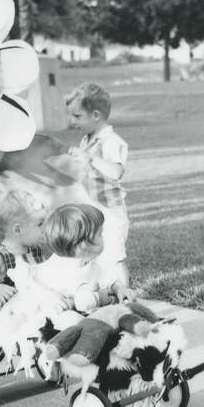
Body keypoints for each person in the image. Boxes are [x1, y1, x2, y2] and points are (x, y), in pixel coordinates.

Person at [41, 203, 134, 367]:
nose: (103, 237)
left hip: (83, 309)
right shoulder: (67, 270)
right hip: (60, 313)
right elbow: (83, 302)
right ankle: (76, 354)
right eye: (100, 234)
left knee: (112, 316)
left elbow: (107, 278)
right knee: (73, 322)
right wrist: (102, 297)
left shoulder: (91, 261)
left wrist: (118, 288)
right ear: (83, 245)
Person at [65, 83, 130, 291]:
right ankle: (101, 297)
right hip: (92, 215)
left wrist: (90, 159)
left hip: (110, 214)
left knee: (114, 258)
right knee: (93, 260)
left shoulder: (111, 141)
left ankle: (125, 297)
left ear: (95, 115)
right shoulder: (87, 140)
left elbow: (116, 172)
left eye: (77, 116)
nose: (72, 122)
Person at [0, 190, 47, 309]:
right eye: (40, 224)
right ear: (17, 229)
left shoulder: (35, 250)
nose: (45, 228)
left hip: (31, 309)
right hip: (5, 315)